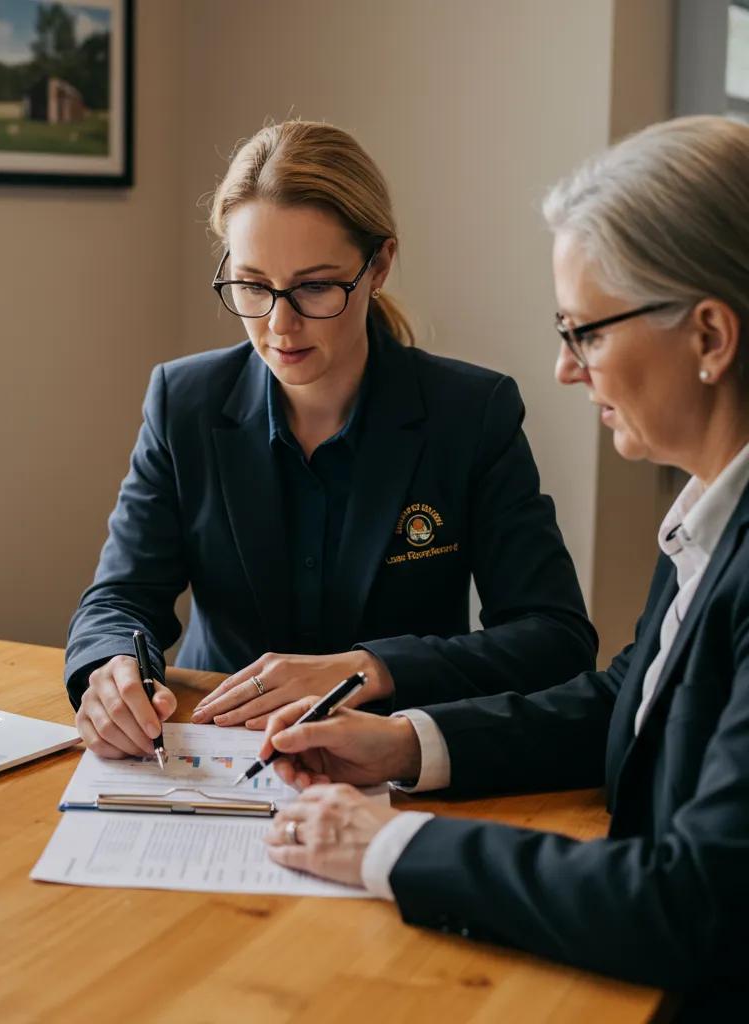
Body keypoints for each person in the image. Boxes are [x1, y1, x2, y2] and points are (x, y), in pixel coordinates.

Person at [259, 115, 749, 1005]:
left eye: (586, 332)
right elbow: (622, 701)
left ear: (711, 338)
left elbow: (698, 902)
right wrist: (405, 745)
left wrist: (387, 846)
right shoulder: (710, 519)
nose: (567, 370)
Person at [65, 120, 596, 759]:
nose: (279, 325)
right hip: (214, 749)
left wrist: (371, 667)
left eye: (315, 286)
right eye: (253, 285)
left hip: (391, 755)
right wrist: (111, 670)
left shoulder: (471, 413)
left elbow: (555, 637)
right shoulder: (184, 402)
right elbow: (121, 597)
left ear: (380, 266)